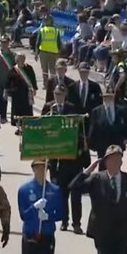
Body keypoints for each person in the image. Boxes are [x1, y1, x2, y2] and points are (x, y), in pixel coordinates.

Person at [18, 159, 63, 254]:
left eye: (43, 168)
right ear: (33, 169)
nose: (40, 171)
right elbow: (23, 214)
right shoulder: (24, 190)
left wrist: (48, 216)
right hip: (30, 234)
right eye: (37, 167)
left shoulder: (55, 190)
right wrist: (34, 208)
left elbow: (61, 213)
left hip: (47, 234)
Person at [42, 85, 89, 233]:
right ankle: (64, 220)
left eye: (61, 94)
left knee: (76, 194)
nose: (58, 97)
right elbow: (43, 130)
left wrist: (82, 155)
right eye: (56, 94)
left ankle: (77, 223)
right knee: (61, 194)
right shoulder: (49, 108)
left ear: (65, 95)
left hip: (73, 160)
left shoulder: (72, 109)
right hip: (57, 161)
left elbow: (80, 131)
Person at [88, 91, 127, 170]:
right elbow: (93, 129)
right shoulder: (96, 111)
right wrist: (91, 144)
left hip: (117, 144)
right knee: (102, 168)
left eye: (109, 97)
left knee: (115, 165)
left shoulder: (121, 110)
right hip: (102, 145)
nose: (106, 99)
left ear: (113, 97)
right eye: (105, 97)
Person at [6, 52, 38, 133]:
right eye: (19, 58)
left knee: (27, 111)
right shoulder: (13, 70)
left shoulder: (29, 68)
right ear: (16, 59)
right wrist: (9, 91)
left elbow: (33, 79)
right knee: (17, 112)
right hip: (17, 95)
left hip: (27, 94)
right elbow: (8, 83)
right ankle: (19, 127)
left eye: (22, 58)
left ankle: (27, 126)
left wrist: (34, 88)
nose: (21, 60)